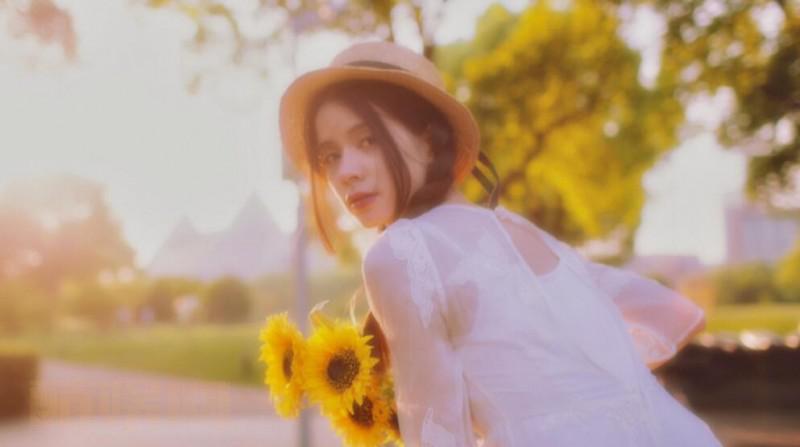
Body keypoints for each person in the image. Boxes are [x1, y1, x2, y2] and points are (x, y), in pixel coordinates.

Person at [279, 41, 723, 447]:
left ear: (429, 141)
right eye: (330, 156)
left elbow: (438, 437)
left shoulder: (399, 254)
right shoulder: (523, 233)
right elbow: (673, 313)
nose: (346, 172)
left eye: (368, 140)